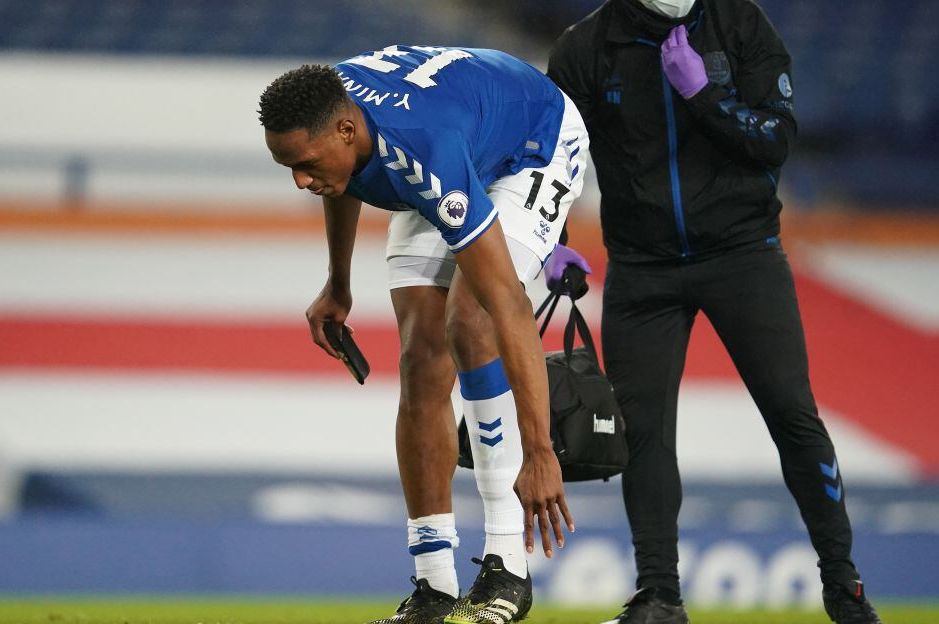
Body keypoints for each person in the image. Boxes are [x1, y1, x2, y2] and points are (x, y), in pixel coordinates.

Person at [547, 1, 881, 623]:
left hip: (743, 255)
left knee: (792, 415)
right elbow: (553, 157)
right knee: (641, 435)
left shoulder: (742, 25)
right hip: (642, 269)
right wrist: (555, 238)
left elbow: (777, 142)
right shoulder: (582, 49)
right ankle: (659, 598)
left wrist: (702, 94)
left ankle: (844, 587)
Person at [259, 46, 589, 624]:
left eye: (306, 163)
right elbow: (344, 181)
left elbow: (509, 305)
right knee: (420, 357)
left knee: (472, 318)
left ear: (344, 127)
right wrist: (339, 284)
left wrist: (540, 453)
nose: (300, 180)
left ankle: (507, 566)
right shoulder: (341, 121)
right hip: (454, 134)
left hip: (532, 141)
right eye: (288, 167)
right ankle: (434, 590)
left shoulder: (423, 151)